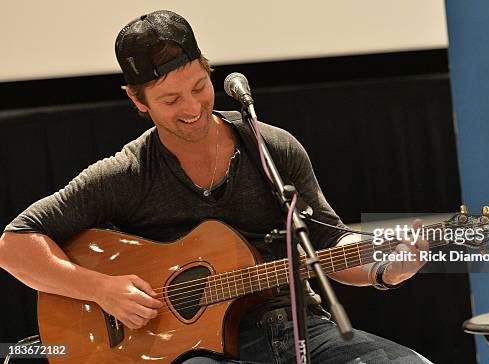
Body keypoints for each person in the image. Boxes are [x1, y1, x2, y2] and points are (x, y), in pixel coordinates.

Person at [0, 10, 432, 364]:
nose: (192, 109)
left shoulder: (272, 148)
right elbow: (13, 246)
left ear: (209, 71)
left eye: (199, 87)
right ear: (137, 101)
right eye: (170, 100)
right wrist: (101, 289)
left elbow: (326, 242)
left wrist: (385, 270)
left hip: (297, 325)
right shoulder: (126, 173)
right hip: (192, 351)